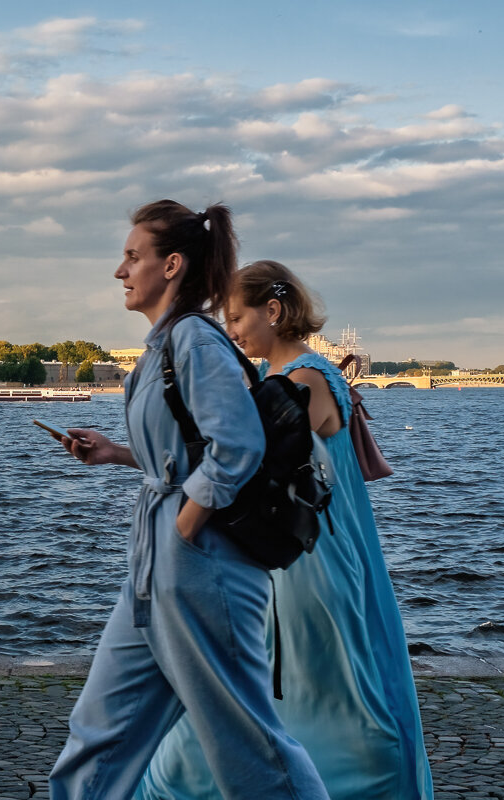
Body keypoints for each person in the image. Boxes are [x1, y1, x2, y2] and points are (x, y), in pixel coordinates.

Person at [48, 203, 328, 800]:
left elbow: (239, 443)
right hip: (156, 565)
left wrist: (185, 524)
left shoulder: (193, 338)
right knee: (98, 736)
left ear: (171, 265)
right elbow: (187, 452)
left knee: (249, 748)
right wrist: (117, 453)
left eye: (132, 256)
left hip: (201, 565)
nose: (119, 271)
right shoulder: (160, 349)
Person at [135, 260, 433, 799]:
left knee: (319, 688)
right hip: (307, 557)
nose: (230, 331)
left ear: (272, 311)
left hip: (309, 564)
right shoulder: (301, 378)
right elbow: (229, 459)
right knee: (304, 685)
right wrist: (121, 454)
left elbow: (244, 464)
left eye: (236, 318)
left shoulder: (305, 381)